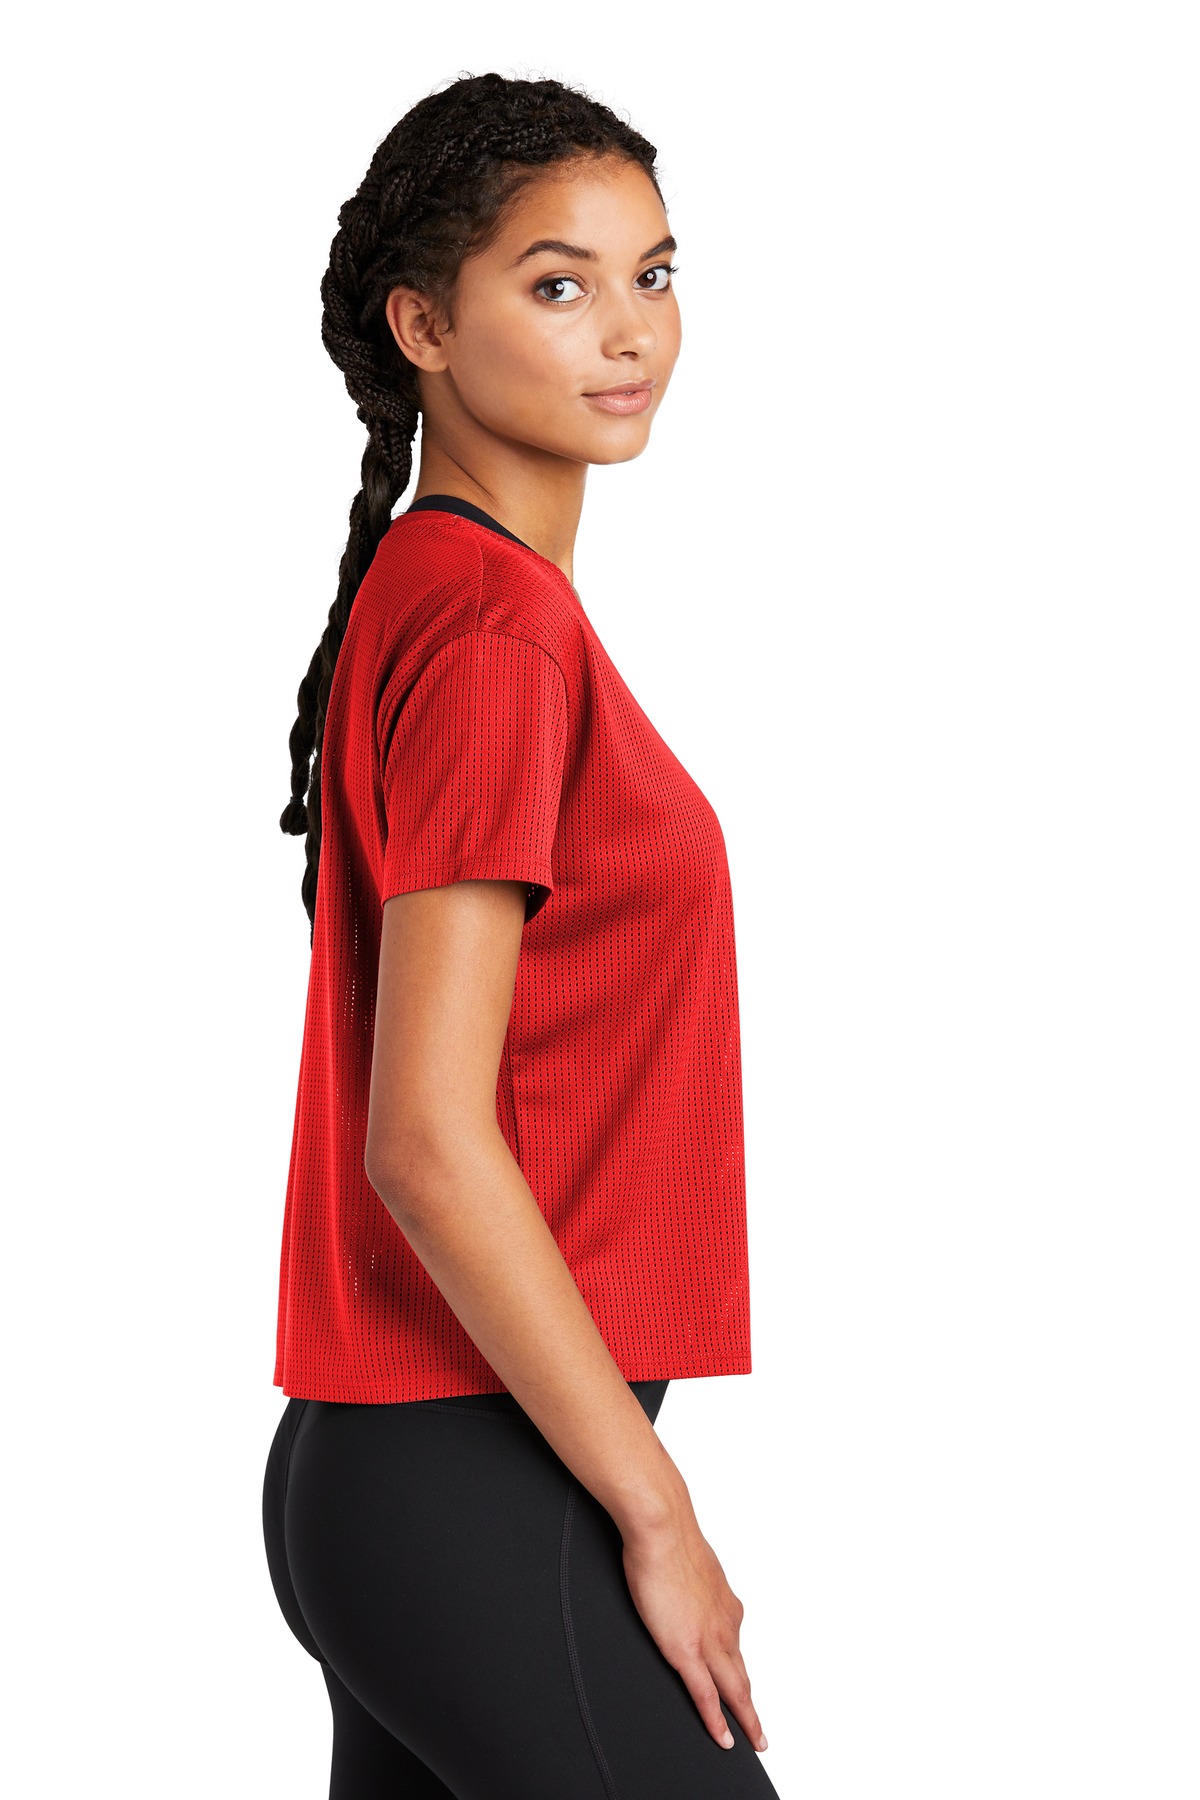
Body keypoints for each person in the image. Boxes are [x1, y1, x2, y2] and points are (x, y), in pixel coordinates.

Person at [262, 71, 781, 1799]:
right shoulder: (496, 633)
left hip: (399, 1477)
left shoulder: (437, 588)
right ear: (422, 326)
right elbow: (424, 1135)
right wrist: (660, 1512)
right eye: (558, 284)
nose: (629, 332)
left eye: (654, 273)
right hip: (476, 1482)